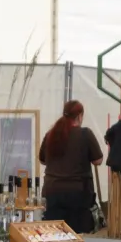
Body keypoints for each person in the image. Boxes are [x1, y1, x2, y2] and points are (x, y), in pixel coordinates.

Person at [39, 100, 104, 234]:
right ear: (80, 116)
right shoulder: (85, 134)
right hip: (77, 195)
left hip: (52, 192)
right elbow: (98, 160)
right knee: (76, 236)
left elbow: (42, 160)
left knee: (53, 234)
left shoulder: (51, 134)